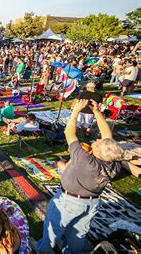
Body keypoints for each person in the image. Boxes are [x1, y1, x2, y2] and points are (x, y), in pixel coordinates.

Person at [36, 99, 125, 253]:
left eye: (97, 144)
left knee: (52, 231)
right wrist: (96, 112)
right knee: (77, 235)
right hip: (91, 203)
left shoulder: (86, 160)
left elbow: (69, 133)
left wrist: (75, 112)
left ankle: (42, 250)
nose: (96, 141)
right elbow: (107, 136)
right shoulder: (114, 163)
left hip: (69, 202)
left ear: (100, 153)